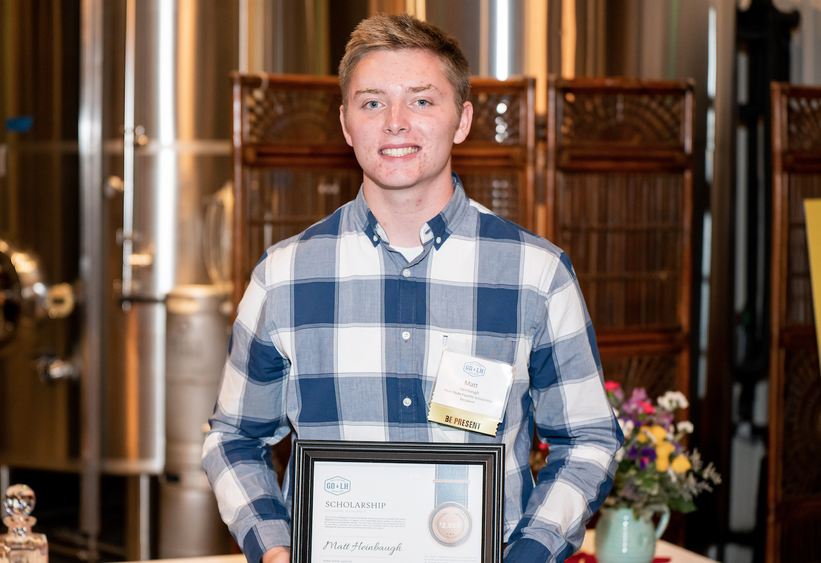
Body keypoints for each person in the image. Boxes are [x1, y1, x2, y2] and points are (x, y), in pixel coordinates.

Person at [203, 13, 623, 563]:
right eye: (372, 102)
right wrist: (275, 547)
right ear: (347, 124)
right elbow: (233, 437)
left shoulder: (536, 274)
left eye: (422, 101)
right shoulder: (284, 276)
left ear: (462, 119)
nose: (396, 122)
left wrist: (528, 554)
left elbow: (589, 440)